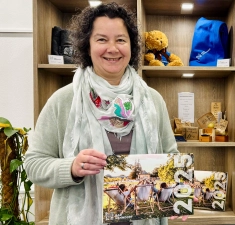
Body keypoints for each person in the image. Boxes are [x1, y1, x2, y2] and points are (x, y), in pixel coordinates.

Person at [24, 2, 183, 225]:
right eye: (101, 39)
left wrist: (178, 194)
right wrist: (71, 168)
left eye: (120, 39)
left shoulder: (152, 100)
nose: (112, 48)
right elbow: (34, 164)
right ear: (86, 46)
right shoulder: (64, 100)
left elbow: (170, 155)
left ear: (131, 46)